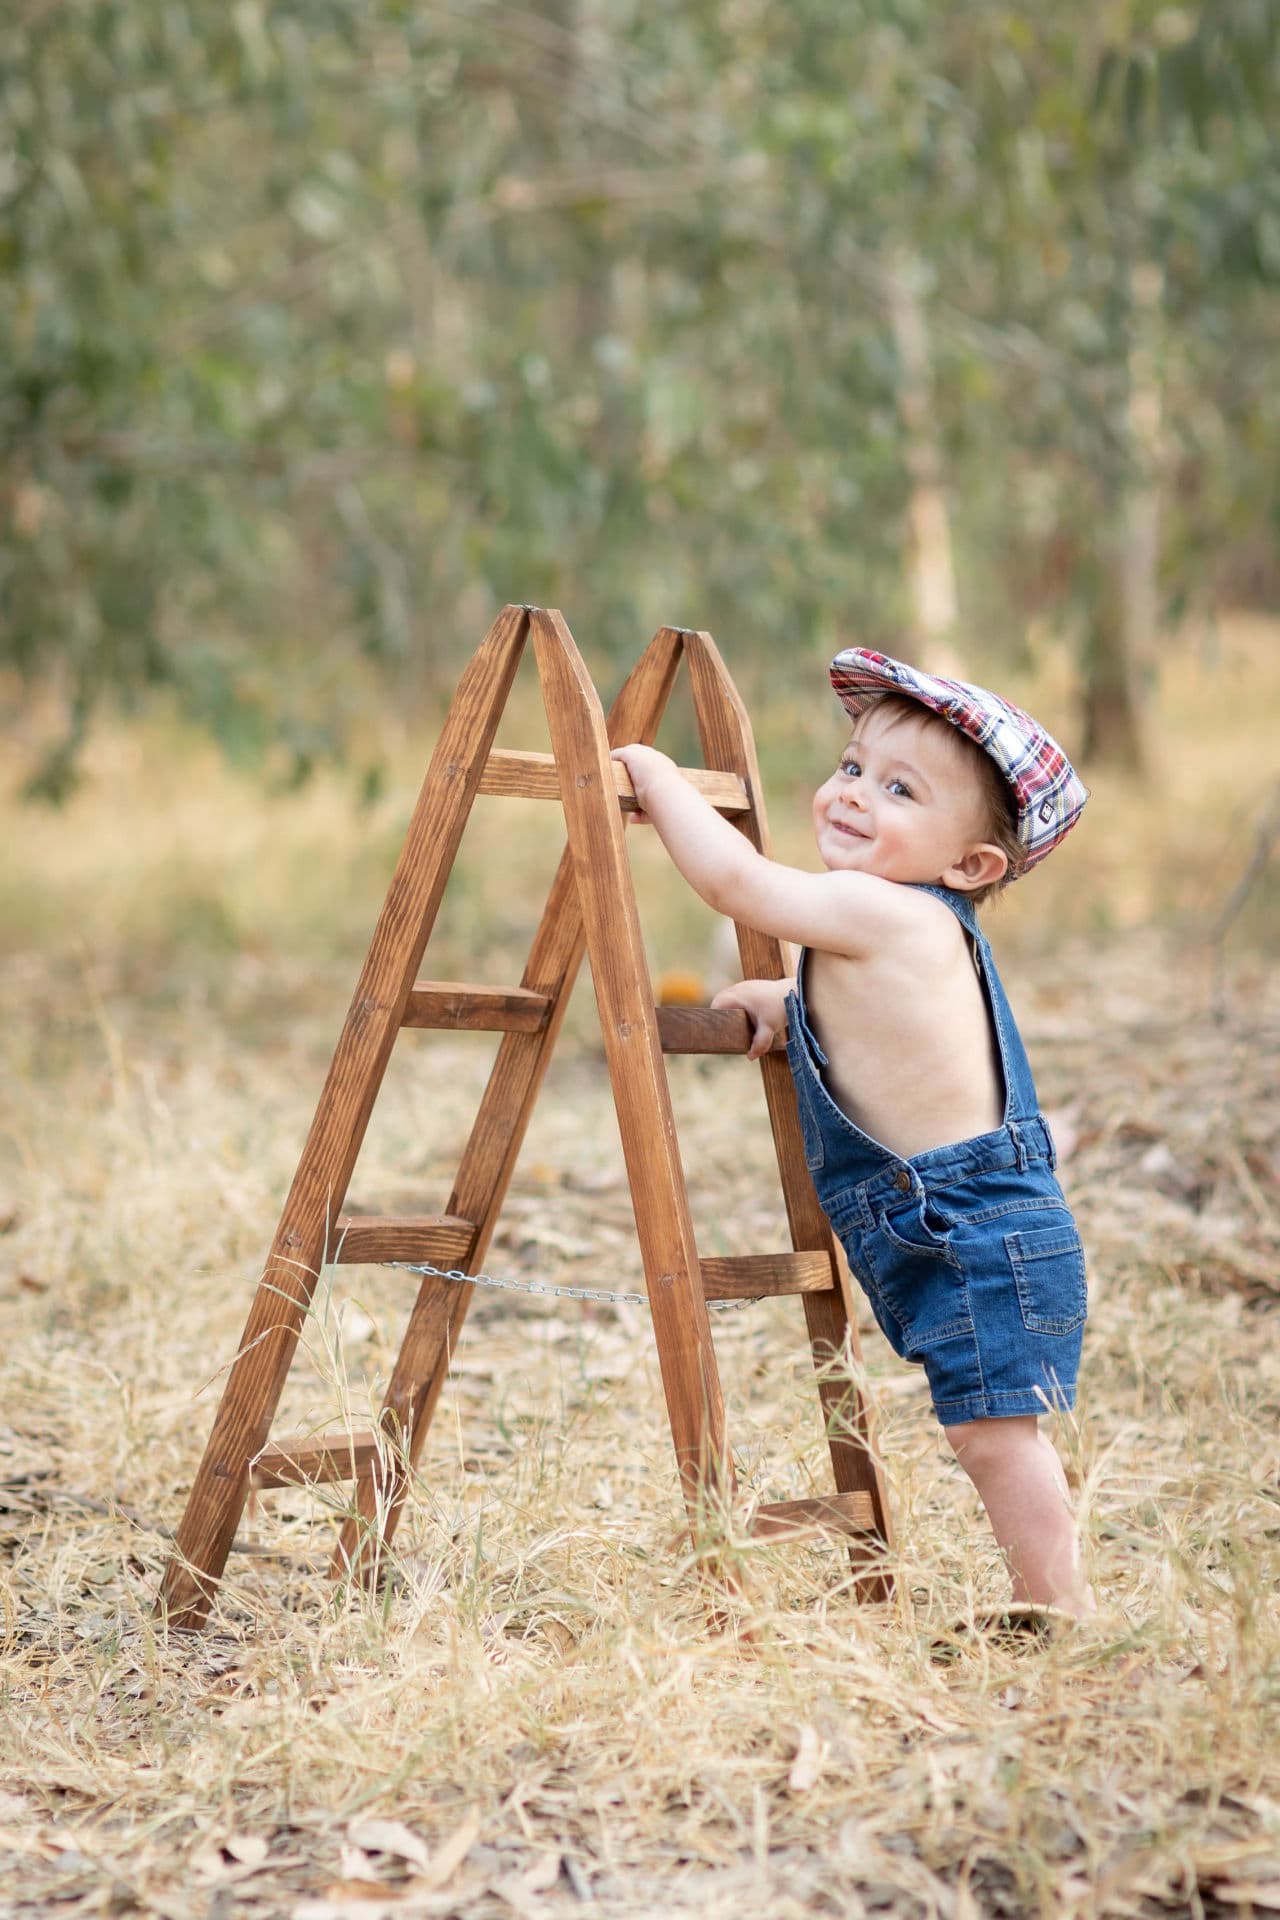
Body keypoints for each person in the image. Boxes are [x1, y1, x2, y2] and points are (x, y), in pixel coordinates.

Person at [613, 648, 1094, 1618]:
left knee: (996, 1436)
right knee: (988, 1430)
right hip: (965, 1223)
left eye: (899, 789)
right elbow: (891, 1039)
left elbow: (736, 884)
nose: (853, 795)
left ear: (968, 864)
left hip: (969, 1227)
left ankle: (1060, 1606)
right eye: (850, 768)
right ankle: (1048, 1596)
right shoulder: (909, 930)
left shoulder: (880, 911)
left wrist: (655, 780)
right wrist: (793, 1011)